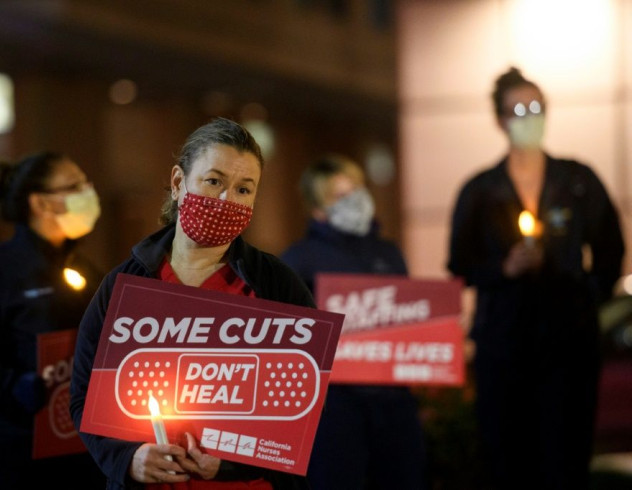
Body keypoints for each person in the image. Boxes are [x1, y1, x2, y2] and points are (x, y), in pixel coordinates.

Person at [70, 117, 314, 490]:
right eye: (214, 181)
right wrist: (127, 458)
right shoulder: (124, 285)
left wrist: (232, 463)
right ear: (178, 182)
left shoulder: (277, 286)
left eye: (244, 189)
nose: (225, 200)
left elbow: (304, 405)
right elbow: (84, 396)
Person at [447, 67, 625, 489]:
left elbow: (611, 247)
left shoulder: (577, 179)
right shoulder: (480, 190)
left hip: (568, 345)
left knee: (565, 457)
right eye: (518, 110)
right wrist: (502, 270)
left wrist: (587, 296)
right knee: (508, 459)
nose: (529, 117)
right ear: (500, 120)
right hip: (503, 346)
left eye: (536, 107)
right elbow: (459, 263)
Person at [0, 151, 106, 489]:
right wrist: (14, 386)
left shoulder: (86, 270)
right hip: (11, 453)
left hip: (76, 448)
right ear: (40, 203)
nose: (87, 192)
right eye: (74, 186)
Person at [280, 154, 427, 490]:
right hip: (335, 406)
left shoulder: (389, 253)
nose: (355, 200)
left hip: (393, 401)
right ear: (317, 209)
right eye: (340, 196)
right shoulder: (298, 259)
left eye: (357, 189)